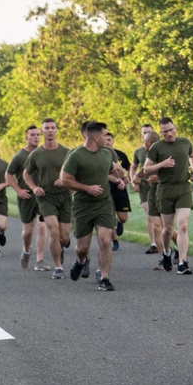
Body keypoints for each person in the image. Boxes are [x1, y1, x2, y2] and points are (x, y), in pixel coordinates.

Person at [59, 121, 123, 291]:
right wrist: (87, 188)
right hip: (82, 205)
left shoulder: (107, 153)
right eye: (104, 135)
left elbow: (109, 171)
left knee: (105, 240)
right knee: (82, 248)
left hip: (103, 203)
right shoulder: (76, 155)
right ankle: (81, 261)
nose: (107, 139)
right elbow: (65, 180)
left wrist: (119, 179)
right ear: (95, 137)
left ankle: (104, 277)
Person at [142, 117, 193, 275]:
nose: (169, 134)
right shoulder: (157, 147)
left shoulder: (185, 142)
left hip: (183, 188)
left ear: (175, 128)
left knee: (183, 225)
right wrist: (162, 165)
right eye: (165, 132)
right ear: (161, 132)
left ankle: (182, 262)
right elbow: (146, 169)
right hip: (165, 190)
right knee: (167, 229)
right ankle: (166, 253)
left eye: (171, 130)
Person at [23, 117, 72, 280]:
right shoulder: (36, 154)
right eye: (47, 128)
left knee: (64, 237)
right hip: (46, 197)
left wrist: (66, 180)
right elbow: (26, 174)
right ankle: (58, 267)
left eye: (52, 127)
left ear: (56, 130)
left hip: (64, 196)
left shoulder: (66, 152)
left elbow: (76, 171)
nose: (50, 130)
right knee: (54, 230)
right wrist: (34, 188)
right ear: (42, 131)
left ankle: (61, 247)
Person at [4, 126, 49, 270]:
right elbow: (8, 175)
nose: (36, 137)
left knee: (42, 227)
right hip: (26, 197)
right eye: (32, 135)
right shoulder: (19, 156)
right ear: (26, 137)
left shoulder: (44, 153)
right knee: (28, 231)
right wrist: (18, 190)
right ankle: (26, 250)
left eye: (38, 135)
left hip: (42, 197)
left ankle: (40, 260)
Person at [131, 125, 163, 254]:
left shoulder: (160, 150)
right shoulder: (139, 151)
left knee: (160, 218)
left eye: (150, 132)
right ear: (142, 136)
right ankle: (154, 243)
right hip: (144, 186)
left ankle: (165, 243)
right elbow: (134, 167)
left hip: (159, 185)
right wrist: (134, 179)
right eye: (145, 133)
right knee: (149, 214)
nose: (147, 135)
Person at [103, 131, 131, 251]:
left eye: (109, 139)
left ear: (113, 141)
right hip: (106, 188)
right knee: (110, 217)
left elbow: (127, 171)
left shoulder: (120, 155)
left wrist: (126, 179)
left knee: (123, 218)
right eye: (105, 139)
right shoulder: (100, 154)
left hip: (120, 188)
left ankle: (120, 222)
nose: (107, 141)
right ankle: (114, 241)